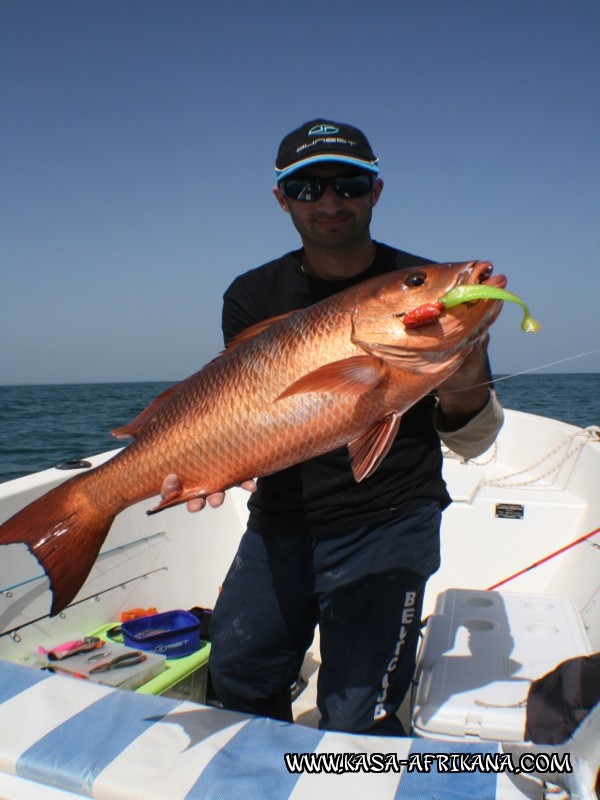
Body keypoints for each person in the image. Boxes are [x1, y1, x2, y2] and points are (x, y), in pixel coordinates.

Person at [162, 119, 504, 735]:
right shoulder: (252, 293)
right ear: (281, 198)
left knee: (357, 714)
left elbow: (471, 435)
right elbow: (243, 412)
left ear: (375, 191)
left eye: (348, 183)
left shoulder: (430, 287)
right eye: (307, 186)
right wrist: (214, 465)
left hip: (392, 519)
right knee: (238, 671)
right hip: (282, 519)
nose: (329, 202)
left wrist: (465, 361)